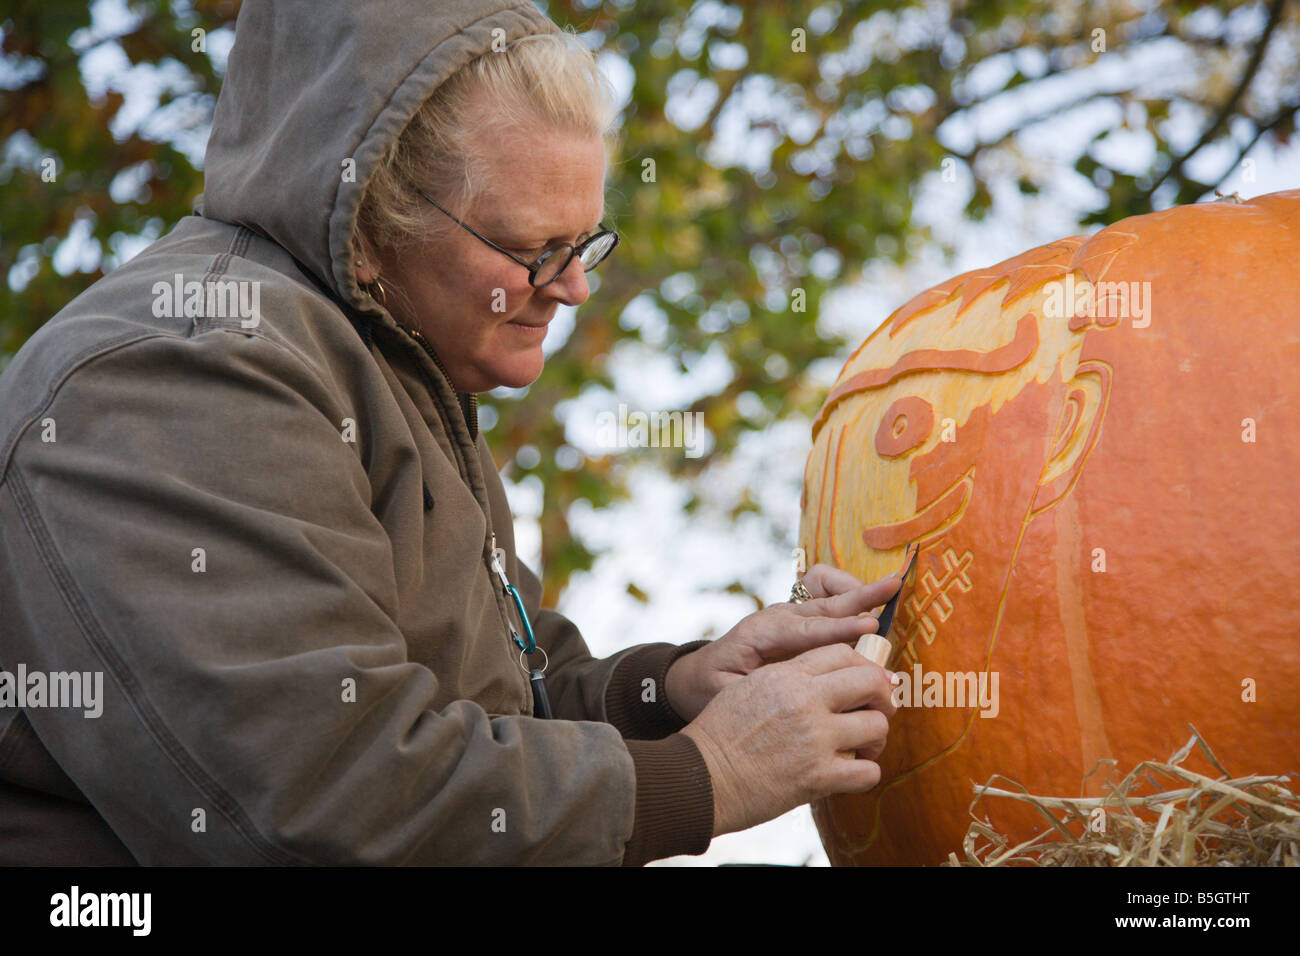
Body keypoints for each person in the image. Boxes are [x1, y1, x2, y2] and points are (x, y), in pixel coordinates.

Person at [0, 0, 900, 865]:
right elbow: (316, 801)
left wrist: (672, 690)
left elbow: (506, 702)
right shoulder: (181, 369)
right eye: (532, 250)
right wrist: (711, 773)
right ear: (369, 223)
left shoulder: (398, 373)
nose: (574, 286)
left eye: (585, 243)